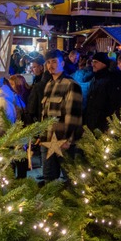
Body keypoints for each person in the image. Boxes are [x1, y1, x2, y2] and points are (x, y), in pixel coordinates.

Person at [38, 49, 83, 184]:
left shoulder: (71, 85)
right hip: (48, 139)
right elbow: (45, 113)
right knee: (48, 177)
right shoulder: (49, 84)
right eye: (48, 62)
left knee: (70, 177)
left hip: (63, 140)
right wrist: (41, 135)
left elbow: (73, 114)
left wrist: (68, 139)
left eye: (54, 62)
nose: (50, 65)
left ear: (62, 63)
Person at [84, 52, 121, 133]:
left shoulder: (110, 80)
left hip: (102, 125)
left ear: (104, 64)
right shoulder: (94, 78)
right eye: (92, 62)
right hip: (91, 123)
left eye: (96, 62)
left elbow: (113, 104)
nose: (93, 64)